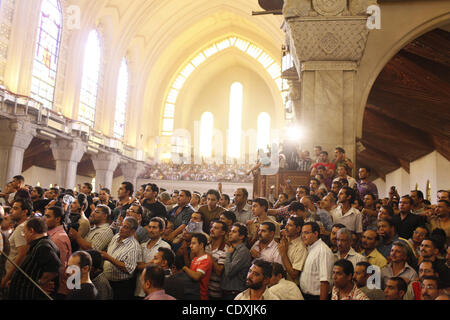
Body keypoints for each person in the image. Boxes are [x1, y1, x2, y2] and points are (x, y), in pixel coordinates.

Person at [8, 217, 61, 300]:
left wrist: (40, 283)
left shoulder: (43, 246)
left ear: (31, 231)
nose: (24, 236)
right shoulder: (40, 244)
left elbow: (54, 268)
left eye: (24, 232)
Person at [100, 216, 142, 300]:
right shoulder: (116, 237)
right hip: (107, 280)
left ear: (132, 231)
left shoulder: (133, 247)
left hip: (122, 286)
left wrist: (109, 258)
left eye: (125, 227)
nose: (121, 228)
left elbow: (128, 268)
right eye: (122, 225)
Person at [135, 217, 171, 299]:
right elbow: (136, 266)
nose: (151, 230)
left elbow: (161, 268)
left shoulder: (165, 247)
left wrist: (144, 265)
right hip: (139, 287)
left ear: (162, 230)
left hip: (155, 290)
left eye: (154, 227)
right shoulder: (142, 245)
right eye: (149, 227)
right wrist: (151, 264)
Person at [300, 222, 334, 300]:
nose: (303, 236)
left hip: (317, 297)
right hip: (305, 296)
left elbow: (325, 281)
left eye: (306, 233)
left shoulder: (323, 251)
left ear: (315, 233)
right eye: (302, 233)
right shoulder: (310, 247)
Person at [44, 206, 72, 299]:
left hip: (55, 287)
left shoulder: (58, 238)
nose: (44, 219)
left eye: (48, 216)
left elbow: (60, 266)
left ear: (58, 219)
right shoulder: (54, 234)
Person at [221, 223, 252, 300]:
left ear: (241, 236)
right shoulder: (232, 248)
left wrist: (228, 254)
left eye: (234, 232)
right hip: (227, 292)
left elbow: (229, 271)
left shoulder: (243, 252)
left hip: (235, 293)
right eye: (230, 231)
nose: (230, 233)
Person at [182, 232, 212, 300]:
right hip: (192, 294)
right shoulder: (195, 259)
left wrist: (185, 268)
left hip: (200, 296)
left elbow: (196, 276)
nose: (190, 246)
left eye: (193, 243)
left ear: (201, 245)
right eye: (190, 243)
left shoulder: (206, 259)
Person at [278, 216, 307, 284]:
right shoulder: (285, 240)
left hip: (289, 287)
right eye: (287, 224)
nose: (286, 227)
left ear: (298, 229)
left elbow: (294, 274)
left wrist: (284, 254)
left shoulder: (301, 248)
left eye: (290, 225)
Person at [206, 220, 228, 300]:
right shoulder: (206, 245)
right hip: (201, 289)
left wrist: (209, 257)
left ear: (222, 232)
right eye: (211, 227)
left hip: (215, 292)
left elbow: (219, 271)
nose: (212, 230)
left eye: (216, 228)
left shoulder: (225, 249)